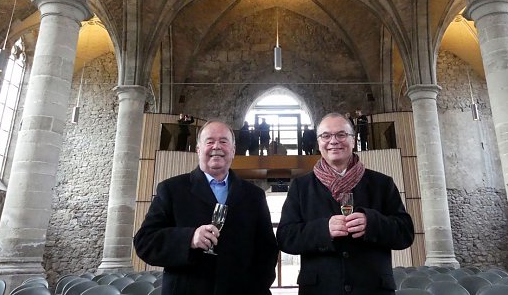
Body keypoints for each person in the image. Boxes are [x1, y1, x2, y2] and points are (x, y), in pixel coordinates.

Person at [134, 120, 278, 295]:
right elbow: (145, 242)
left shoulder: (254, 195)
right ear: (198, 150)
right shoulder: (172, 189)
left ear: (233, 151)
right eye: (209, 141)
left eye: (223, 141)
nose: (216, 146)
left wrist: (258, 286)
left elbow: (267, 250)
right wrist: (189, 239)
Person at [277, 113, 414, 295]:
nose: (333, 141)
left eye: (341, 135)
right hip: (320, 290)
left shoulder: (382, 184)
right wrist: (323, 230)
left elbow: (405, 233)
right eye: (326, 136)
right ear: (319, 143)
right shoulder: (300, 187)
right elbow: (286, 238)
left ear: (353, 140)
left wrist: (372, 223)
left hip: (372, 289)